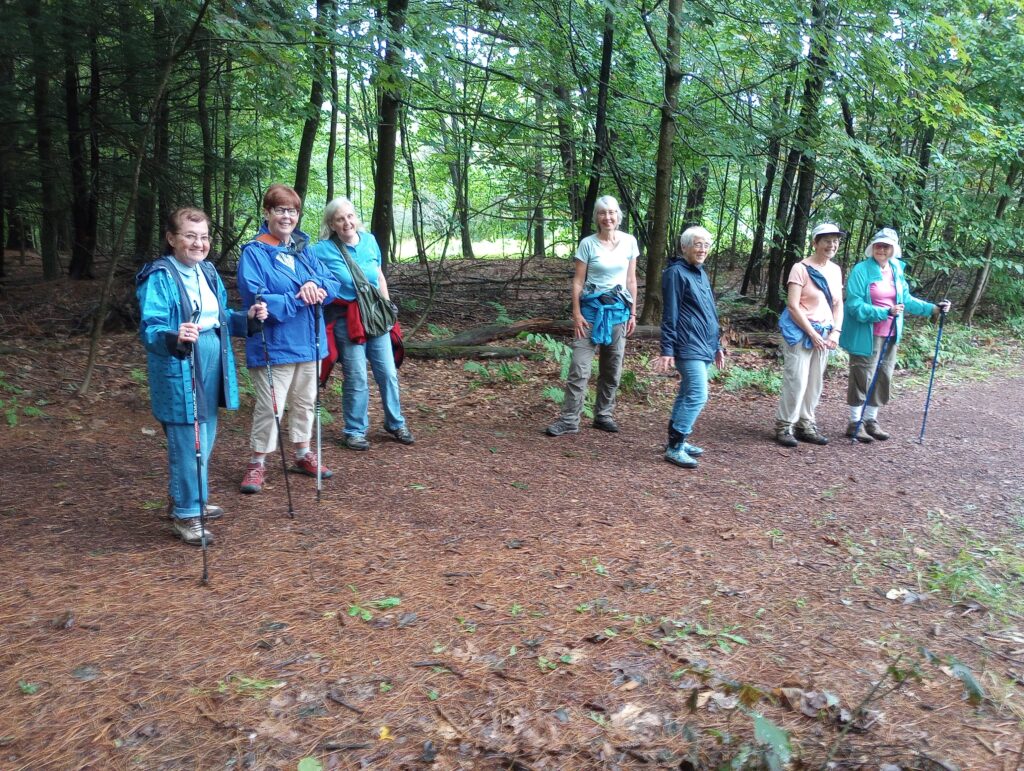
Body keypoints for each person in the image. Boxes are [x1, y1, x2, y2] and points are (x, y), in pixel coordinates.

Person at [137, 207, 267, 545]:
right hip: (179, 366)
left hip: (214, 360)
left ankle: (186, 500)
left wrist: (248, 318)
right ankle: (187, 514)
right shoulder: (160, 276)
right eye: (190, 235)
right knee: (188, 442)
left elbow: (220, 317)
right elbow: (151, 328)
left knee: (204, 439)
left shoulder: (207, 272)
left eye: (205, 236)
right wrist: (174, 336)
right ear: (171, 238)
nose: (199, 243)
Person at [236, 184, 342, 493]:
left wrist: (314, 284)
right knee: (271, 406)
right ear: (267, 212)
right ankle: (257, 463)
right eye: (280, 210)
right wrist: (300, 296)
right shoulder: (254, 252)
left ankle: (302, 453)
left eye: (292, 211)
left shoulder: (303, 248)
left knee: (305, 401)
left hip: (309, 340)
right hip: (275, 343)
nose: (287, 216)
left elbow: (332, 284)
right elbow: (255, 297)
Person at [312, 197, 413, 450]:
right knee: (356, 377)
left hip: (376, 317)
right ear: (331, 224)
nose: (346, 222)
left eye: (349, 216)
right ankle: (354, 430)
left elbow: (378, 275)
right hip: (348, 320)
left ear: (356, 218)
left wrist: (388, 308)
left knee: (387, 373)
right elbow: (309, 274)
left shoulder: (369, 242)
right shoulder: (321, 250)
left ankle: (395, 422)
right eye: (339, 219)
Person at [839, 228, 951, 441]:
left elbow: (906, 300)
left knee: (883, 376)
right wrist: (883, 312)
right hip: (867, 333)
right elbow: (854, 305)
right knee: (862, 375)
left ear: (893, 249)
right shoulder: (861, 270)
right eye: (879, 245)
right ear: (872, 247)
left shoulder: (896, 269)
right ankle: (855, 422)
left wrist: (933, 309)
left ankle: (870, 420)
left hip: (891, 333)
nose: (882, 249)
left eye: (887, 246)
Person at [545, 195, 638, 436]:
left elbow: (631, 280)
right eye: (602, 213)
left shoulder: (629, 242)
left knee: (612, 367)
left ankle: (603, 415)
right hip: (590, 313)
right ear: (597, 217)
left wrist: (633, 313)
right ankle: (569, 420)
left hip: (618, 312)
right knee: (579, 366)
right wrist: (576, 313)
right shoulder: (588, 244)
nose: (608, 217)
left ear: (619, 215)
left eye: (612, 212)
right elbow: (578, 281)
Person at [654, 226, 727, 468]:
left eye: (706, 245)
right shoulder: (676, 273)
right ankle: (675, 448)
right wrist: (667, 349)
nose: (703, 249)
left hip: (703, 344)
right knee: (697, 395)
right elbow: (670, 313)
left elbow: (709, 313)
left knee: (686, 393)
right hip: (687, 344)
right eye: (697, 244)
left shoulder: (700, 273)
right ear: (684, 247)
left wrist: (717, 346)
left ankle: (677, 442)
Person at [773, 223, 845, 446]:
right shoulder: (800, 268)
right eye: (826, 240)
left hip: (824, 333)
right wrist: (812, 333)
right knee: (797, 380)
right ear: (815, 243)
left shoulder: (835, 270)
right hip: (800, 333)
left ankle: (806, 423)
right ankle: (785, 425)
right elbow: (793, 305)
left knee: (815, 382)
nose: (831, 245)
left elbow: (838, 304)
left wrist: (835, 332)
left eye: (835, 241)